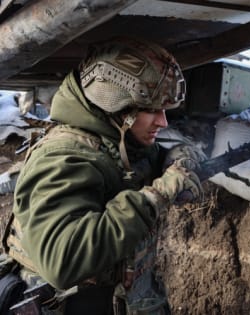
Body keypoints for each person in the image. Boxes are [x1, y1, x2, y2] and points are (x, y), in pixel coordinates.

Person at [4, 37, 204, 314]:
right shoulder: (64, 157)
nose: (163, 122)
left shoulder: (119, 141)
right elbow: (62, 262)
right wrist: (156, 196)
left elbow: (155, 157)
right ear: (116, 106)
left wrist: (180, 157)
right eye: (151, 110)